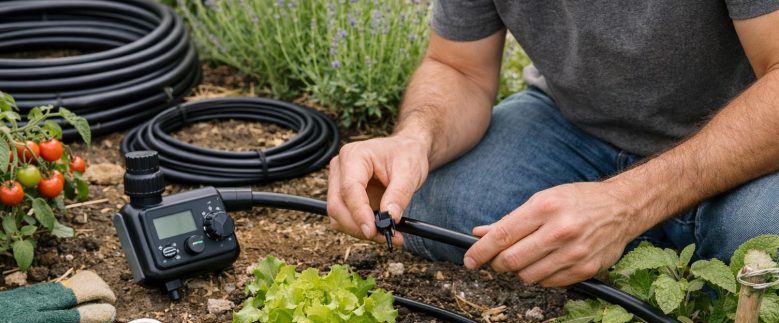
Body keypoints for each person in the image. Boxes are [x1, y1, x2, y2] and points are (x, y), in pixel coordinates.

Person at [327, 1, 779, 287]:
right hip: (575, 127)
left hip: (742, 153)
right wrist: (413, 143)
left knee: (765, 239)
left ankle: (651, 230)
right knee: (430, 202)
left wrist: (628, 203)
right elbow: (458, 66)